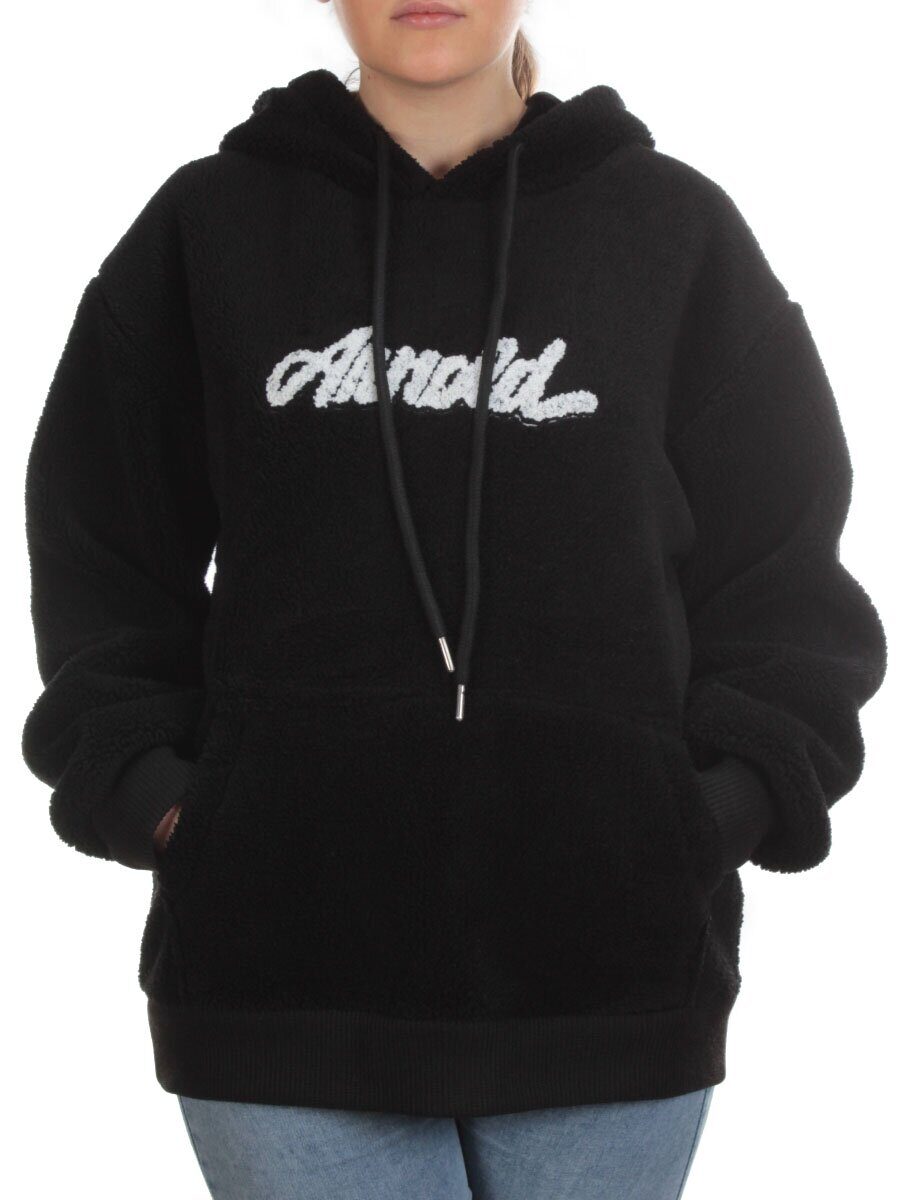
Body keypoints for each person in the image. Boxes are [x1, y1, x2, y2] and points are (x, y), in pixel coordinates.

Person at [21, 2, 888, 1198]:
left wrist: (712, 810)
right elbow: (100, 544)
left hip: (613, 981)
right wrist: (167, 804)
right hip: (277, 979)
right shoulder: (208, 226)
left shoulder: (672, 231)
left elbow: (784, 566)